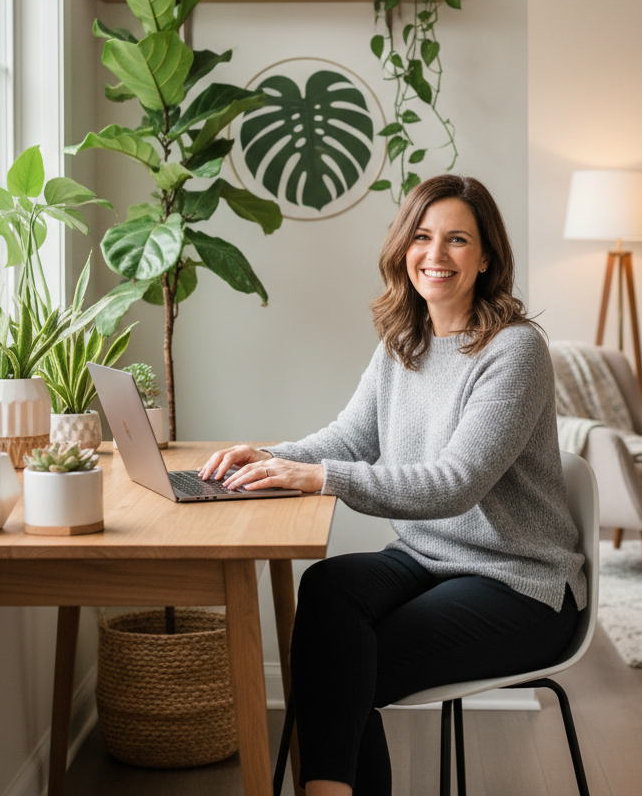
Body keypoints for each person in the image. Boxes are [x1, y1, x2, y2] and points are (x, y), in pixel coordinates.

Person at [200, 175, 586, 796]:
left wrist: (317, 478)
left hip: (521, 584)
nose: (435, 255)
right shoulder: (405, 342)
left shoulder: (514, 352)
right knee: (326, 588)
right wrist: (271, 457)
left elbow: (454, 485)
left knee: (346, 664)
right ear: (403, 248)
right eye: (423, 237)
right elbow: (350, 438)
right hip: (427, 559)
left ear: (486, 257)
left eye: (457, 239)